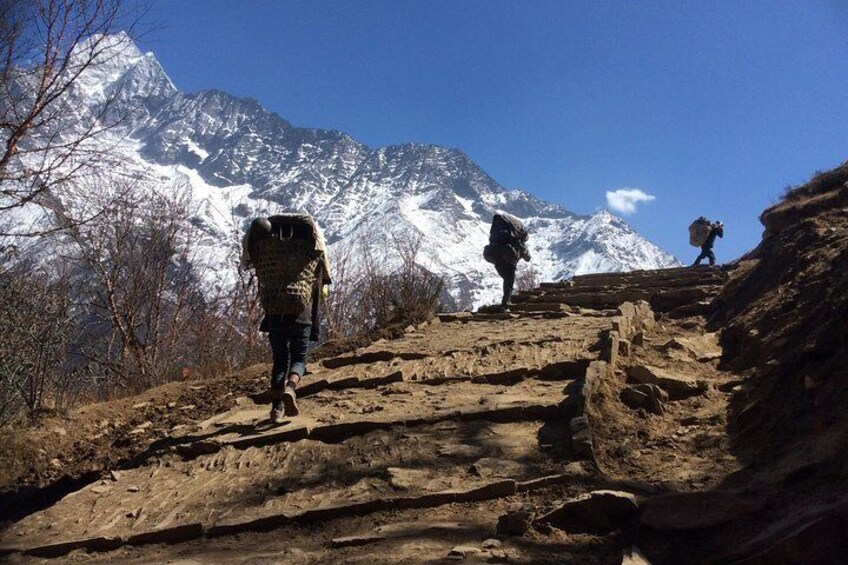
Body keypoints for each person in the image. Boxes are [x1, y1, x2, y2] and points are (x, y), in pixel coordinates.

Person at [241, 213, 331, 423]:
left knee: (279, 360)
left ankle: (276, 409)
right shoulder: (305, 255)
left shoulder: (266, 253)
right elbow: (321, 274)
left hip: (274, 311)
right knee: (298, 359)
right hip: (301, 312)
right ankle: (291, 388)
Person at [483, 212, 531, 311]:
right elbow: (527, 257)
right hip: (508, 258)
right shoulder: (519, 242)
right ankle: (506, 304)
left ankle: (505, 302)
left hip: (495, 257)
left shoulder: (499, 237)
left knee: (506, 279)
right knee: (509, 280)